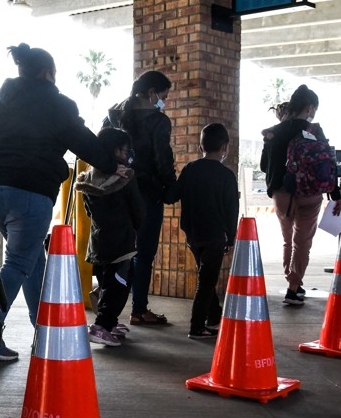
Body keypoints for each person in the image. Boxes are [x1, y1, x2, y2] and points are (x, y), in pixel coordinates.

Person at [0, 43, 125, 354]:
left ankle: (44, 329)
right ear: (48, 73)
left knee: (32, 262)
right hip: (32, 194)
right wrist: (112, 164)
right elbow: (84, 142)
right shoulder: (58, 105)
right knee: (17, 263)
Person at [260, 84, 341, 306]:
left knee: (287, 240)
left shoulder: (273, 132)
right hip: (311, 193)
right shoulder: (315, 131)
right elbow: (327, 164)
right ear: (309, 107)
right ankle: (293, 287)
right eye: (314, 108)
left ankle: (292, 279)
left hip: (283, 194)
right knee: (303, 242)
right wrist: (336, 195)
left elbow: (263, 165)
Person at [105, 70, 177, 326]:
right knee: (143, 253)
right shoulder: (158, 121)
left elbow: (103, 148)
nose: (164, 101)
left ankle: (108, 313)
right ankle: (139, 309)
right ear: (152, 93)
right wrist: (171, 184)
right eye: (164, 96)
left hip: (115, 189)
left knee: (115, 250)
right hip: (147, 191)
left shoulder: (113, 115)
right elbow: (162, 158)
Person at [164, 123, 239, 339]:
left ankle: (214, 318)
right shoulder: (226, 176)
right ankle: (197, 327)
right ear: (225, 147)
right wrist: (231, 238)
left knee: (206, 276)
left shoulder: (190, 169)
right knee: (206, 281)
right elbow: (231, 210)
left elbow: (171, 196)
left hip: (193, 235)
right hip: (215, 237)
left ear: (200, 145)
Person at [76, 127, 142, 347]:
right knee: (120, 284)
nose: (127, 155)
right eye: (124, 150)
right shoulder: (125, 177)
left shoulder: (88, 178)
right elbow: (137, 208)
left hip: (100, 240)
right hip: (122, 240)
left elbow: (89, 211)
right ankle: (102, 325)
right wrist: (139, 230)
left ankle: (109, 322)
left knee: (107, 282)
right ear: (114, 150)